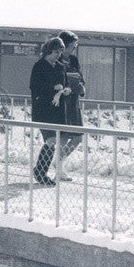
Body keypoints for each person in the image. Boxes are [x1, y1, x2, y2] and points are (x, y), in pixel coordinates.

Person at [29, 37, 70, 185]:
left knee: (53, 142)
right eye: (56, 52)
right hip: (43, 110)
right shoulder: (39, 66)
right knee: (51, 141)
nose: (59, 55)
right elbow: (34, 87)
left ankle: (40, 171)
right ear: (49, 51)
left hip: (57, 110)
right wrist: (53, 87)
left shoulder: (60, 66)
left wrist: (66, 90)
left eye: (60, 52)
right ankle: (40, 172)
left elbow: (65, 83)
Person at [55, 30, 86, 181]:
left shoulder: (74, 60)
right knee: (63, 136)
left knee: (78, 137)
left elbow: (81, 78)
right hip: (62, 103)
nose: (74, 48)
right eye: (72, 45)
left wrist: (80, 86)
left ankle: (59, 162)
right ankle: (59, 169)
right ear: (65, 45)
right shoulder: (56, 59)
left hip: (73, 103)